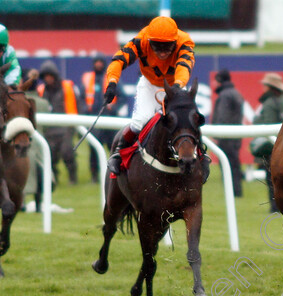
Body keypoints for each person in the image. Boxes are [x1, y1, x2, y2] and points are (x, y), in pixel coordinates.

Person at [103, 15, 195, 175]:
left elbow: (184, 66)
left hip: (176, 86)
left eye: (167, 46)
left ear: (175, 42)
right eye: (157, 46)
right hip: (149, 84)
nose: (162, 52)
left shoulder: (185, 42)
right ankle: (119, 153)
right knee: (140, 121)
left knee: (186, 122)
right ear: (149, 41)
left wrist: (176, 88)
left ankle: (201, 157)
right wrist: (112, 82)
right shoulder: (141, 40)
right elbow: (119, 60)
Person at [37, 60, 85, 185]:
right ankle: (54, 178)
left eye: (50, 75)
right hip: (49, 128)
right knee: (50, 155)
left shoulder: (67, 86)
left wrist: (78, 122)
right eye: (45, 76)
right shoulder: (41, 90)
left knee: (67, 152)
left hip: (66, 126)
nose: (48, 79)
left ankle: (72, 177)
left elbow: (78, 104)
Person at [252, 72, 283, 213]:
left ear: (269, 87)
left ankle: (275, 207)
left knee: (272, 179)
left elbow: (267, 125)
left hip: (272, 147)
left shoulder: (268, 104)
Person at [81, 56, 119, 182]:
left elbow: (122, 96)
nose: (98, 65)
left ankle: (112, 173)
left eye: (100, 62)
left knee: (112, 148)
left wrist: (113, 108)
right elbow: (81, 97)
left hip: (109, 120)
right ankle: (94, 176)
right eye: (96, 62)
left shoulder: (111, 78)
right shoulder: (87, 79)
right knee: (94, 150)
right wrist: (85, 109)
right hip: (94, 120)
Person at [212, 69, 245, 197]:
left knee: (227, 164)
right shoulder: (236, 93)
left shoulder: (225, 95)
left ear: (220, 80)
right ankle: (237, 191)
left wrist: (217, 134)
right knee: (234, 164)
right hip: (236, 133)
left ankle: (232, 192)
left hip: (226, 135)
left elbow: (222, 116)